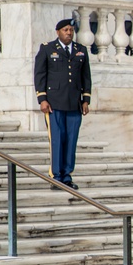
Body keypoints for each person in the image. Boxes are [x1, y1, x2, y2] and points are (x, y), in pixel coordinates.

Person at [33, 19, 91, 190]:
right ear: (57, 31)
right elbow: (40, 75)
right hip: (54, 103)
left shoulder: (81, 50)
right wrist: (42, 99)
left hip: (74, 103)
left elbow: (86, 77)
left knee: (71, 141)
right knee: (57, 140)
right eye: (65, 30)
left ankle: (67, 176)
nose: (69, 33)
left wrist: (86, 99)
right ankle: (56, 176)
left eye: (71, 30)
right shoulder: (47, 49)